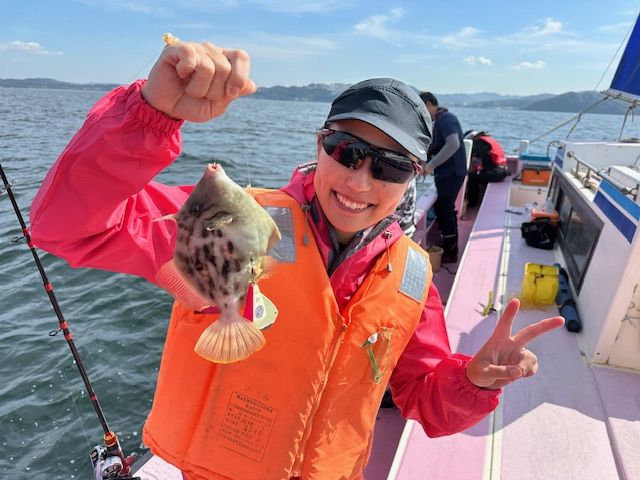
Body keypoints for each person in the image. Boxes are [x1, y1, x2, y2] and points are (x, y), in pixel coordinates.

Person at [29, 38, 563, 480]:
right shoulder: (235, 221)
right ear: (319, 144)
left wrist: (475, 380)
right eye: (346, 151)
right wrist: (150, 115)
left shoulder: (413, 274)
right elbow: (69, 227)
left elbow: (425, 401)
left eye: (391, 167)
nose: (360, 181)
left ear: (414, 179)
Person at [419, 92, 468, 263]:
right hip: (447, 174)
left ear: (429, 104)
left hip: (452, 174)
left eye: (422, 108)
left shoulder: (447, 119)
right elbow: (434, 147)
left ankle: (450, 252)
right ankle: (448, 246)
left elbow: (453, 143)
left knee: (445, 210)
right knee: (443, 208)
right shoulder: (439, 121)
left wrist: (431, 166)